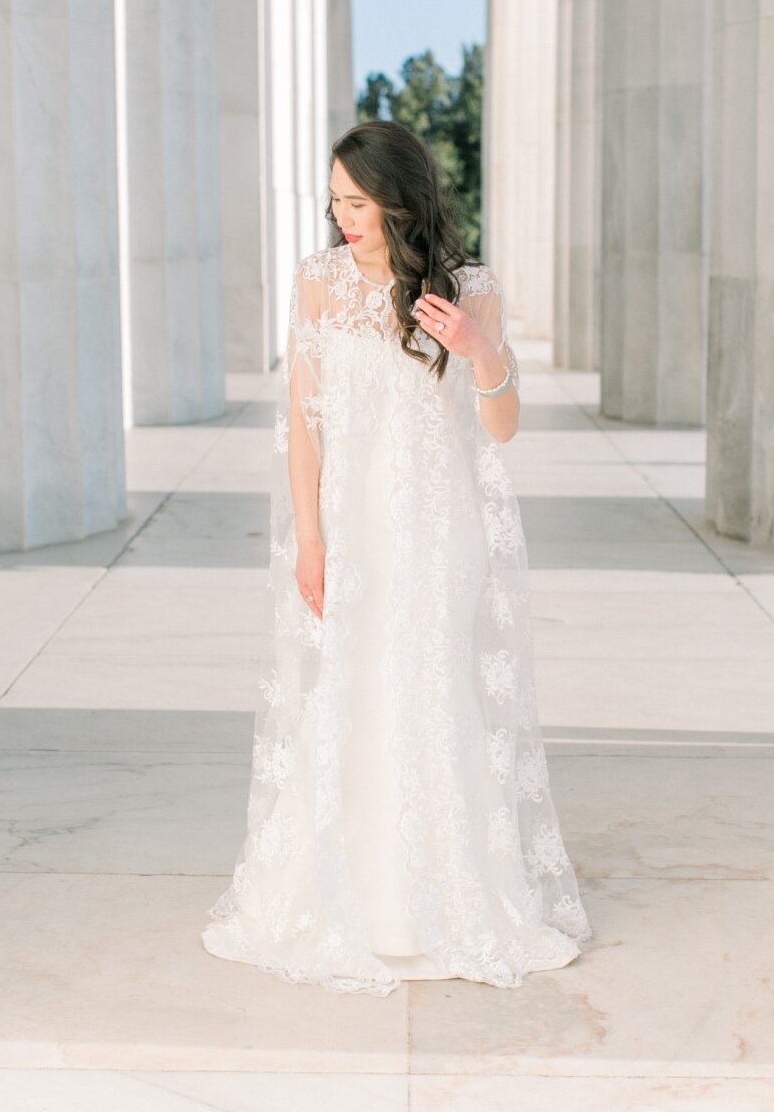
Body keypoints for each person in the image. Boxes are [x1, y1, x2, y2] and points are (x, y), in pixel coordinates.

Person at [201, 120, 592, 995]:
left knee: (428, 683)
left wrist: (482, 350)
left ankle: (438, 899)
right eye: (335, 200)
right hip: (352, 522)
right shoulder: (318, 283)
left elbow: (502, 425)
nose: (342, 217)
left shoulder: (470, 288)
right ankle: (349, 894)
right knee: (350, 684)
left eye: (358, 203)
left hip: (439, 525)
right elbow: (303, 427)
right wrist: (310, 539)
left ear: (401, 200)